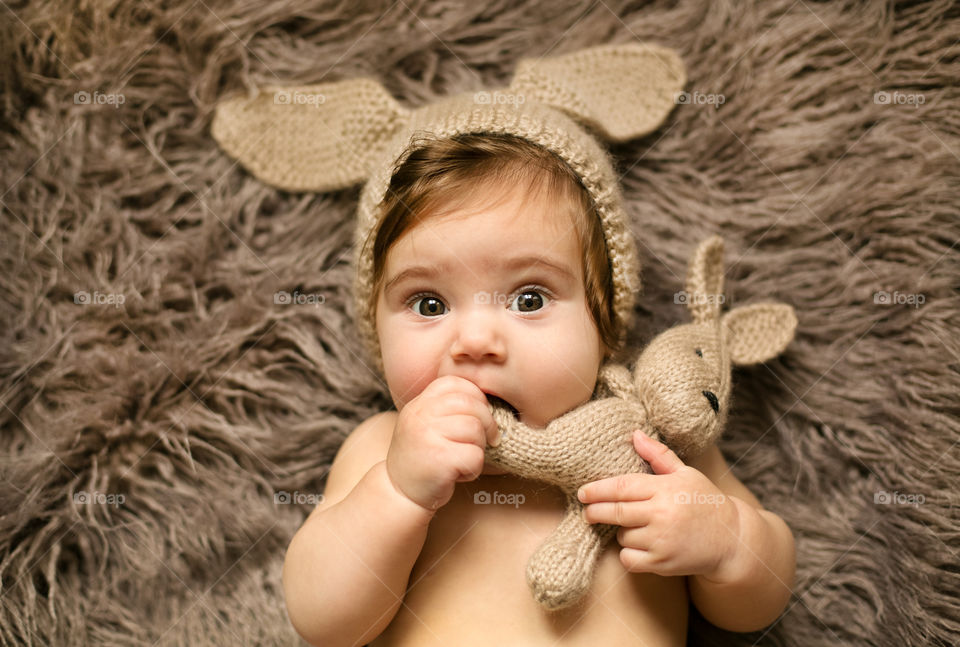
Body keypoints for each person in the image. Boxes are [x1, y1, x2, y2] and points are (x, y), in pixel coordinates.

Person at [280, 127, 796, 645]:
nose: (477, 340)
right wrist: (397, 493)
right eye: (429, 304)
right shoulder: (380, 449)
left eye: (529, 299)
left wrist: (727, 543)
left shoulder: (655, 446)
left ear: (604, 326)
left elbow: (760, 603)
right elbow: (324, 623)